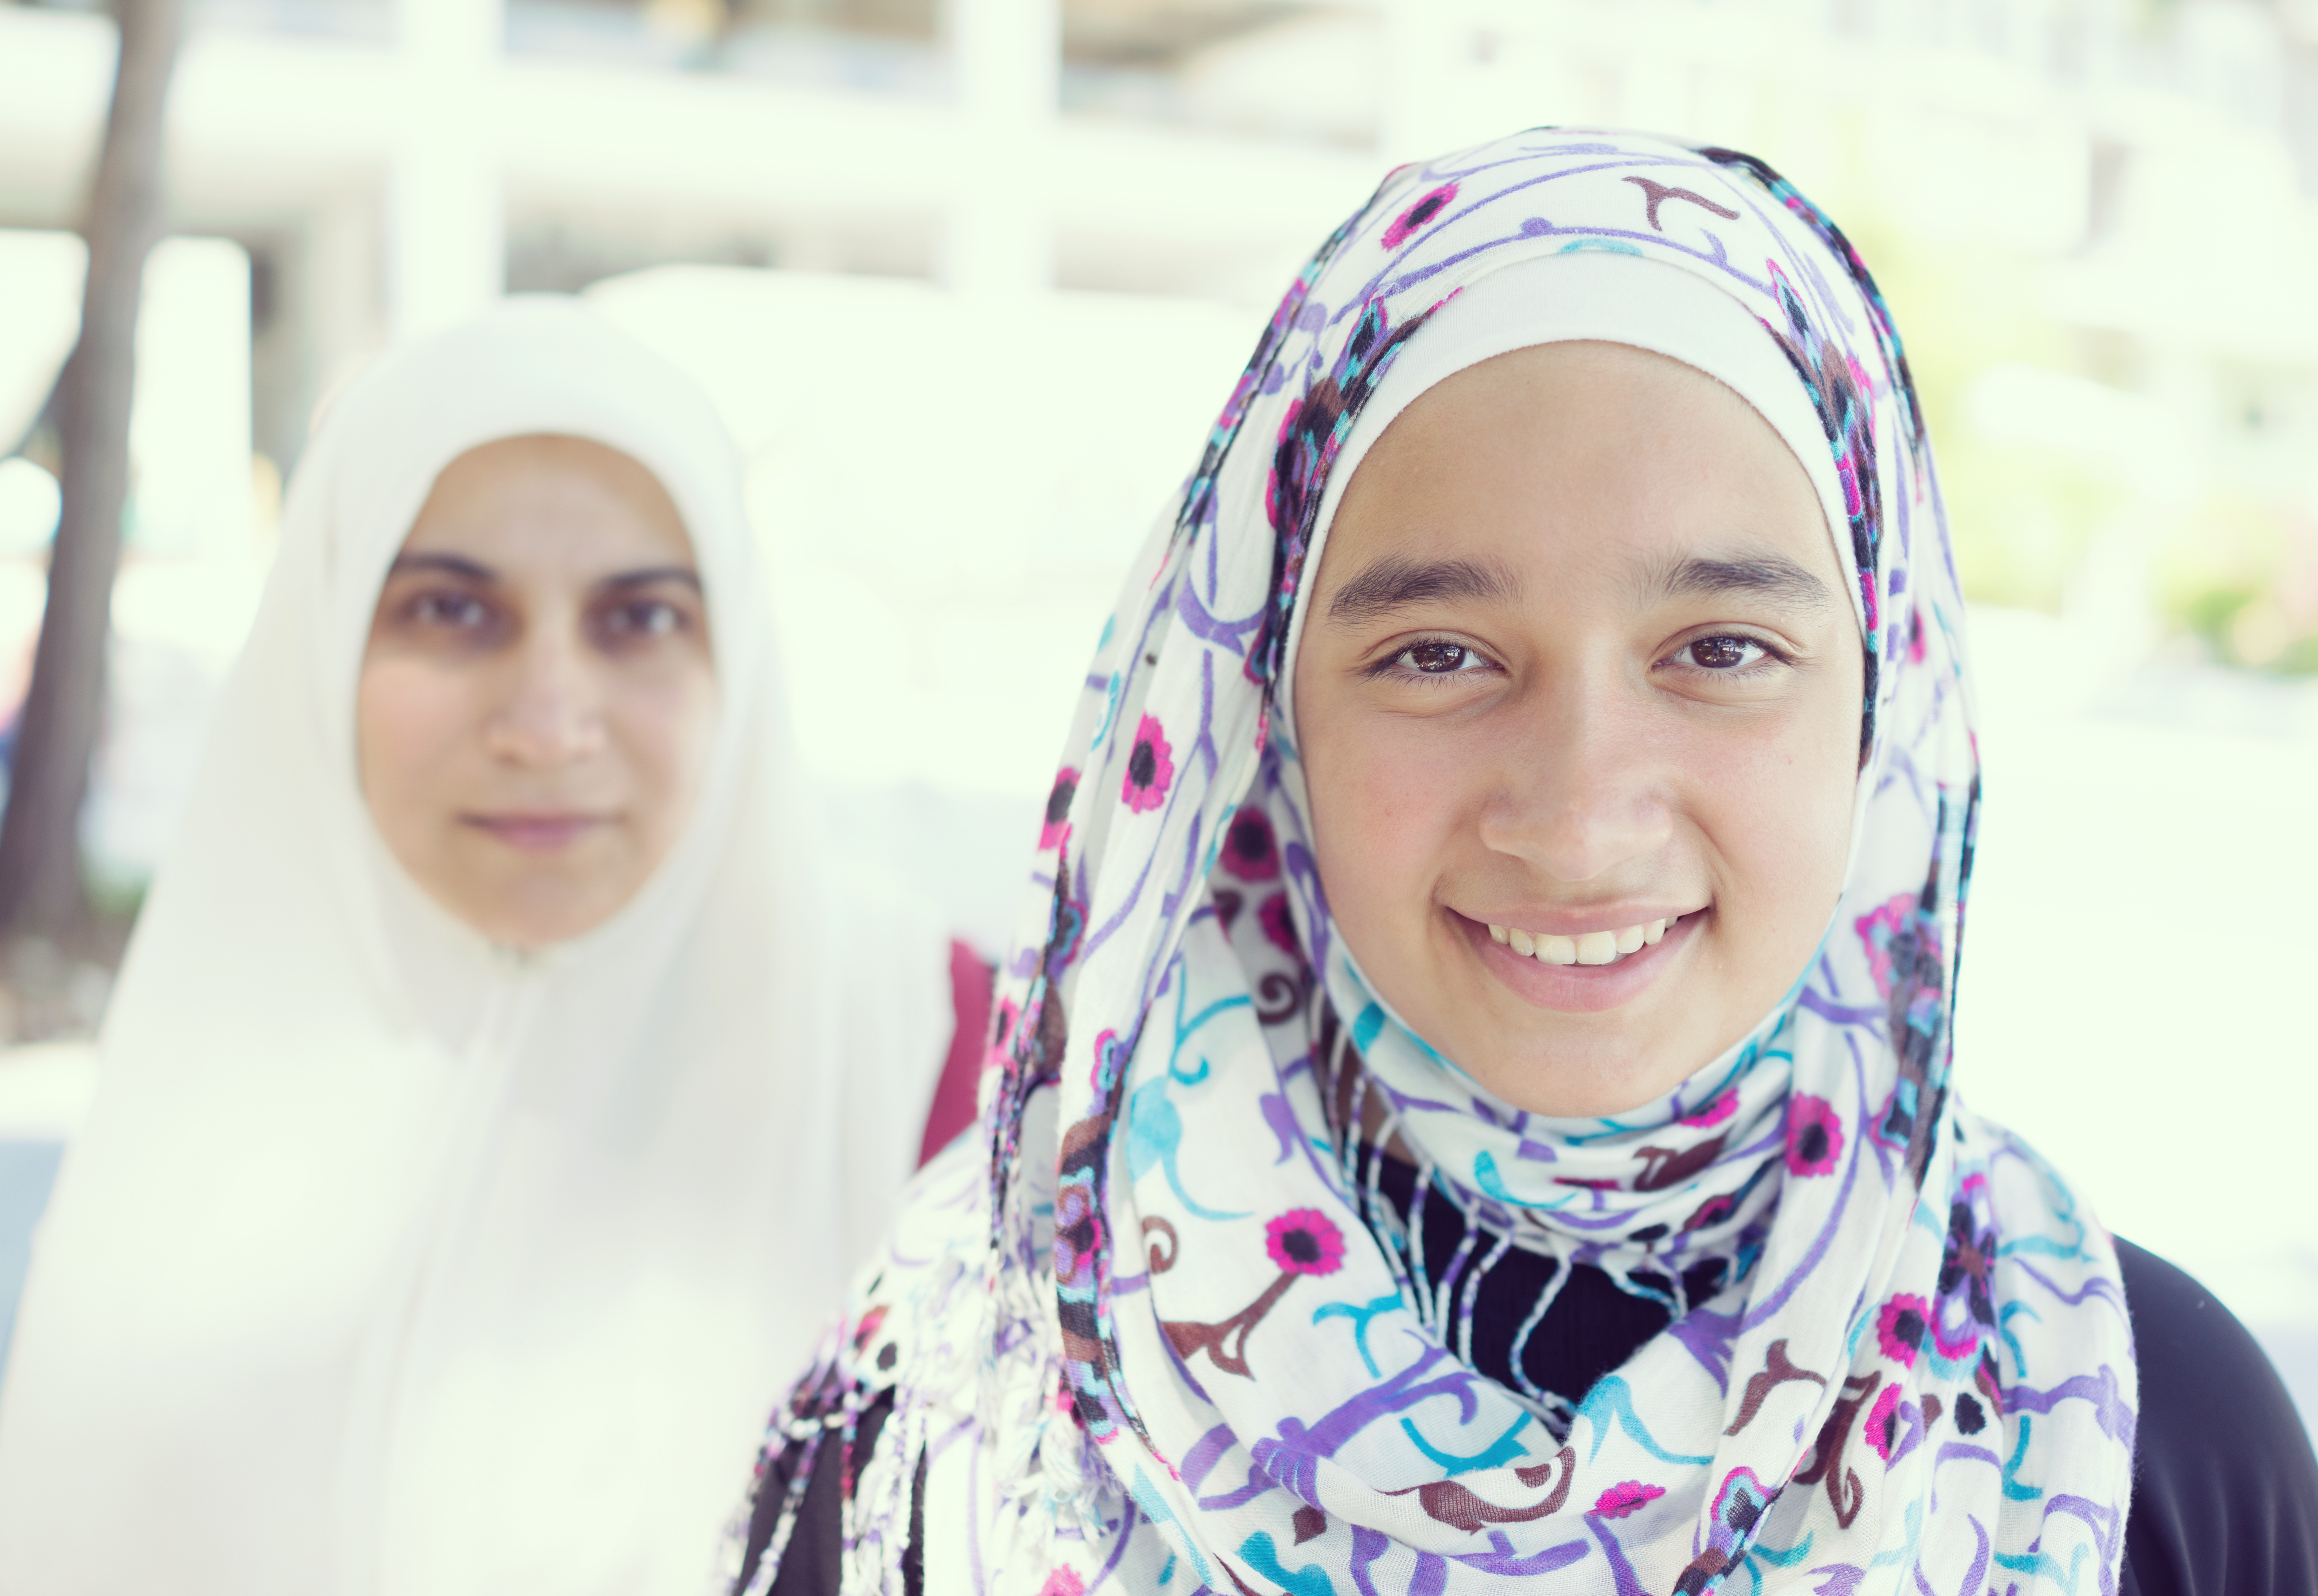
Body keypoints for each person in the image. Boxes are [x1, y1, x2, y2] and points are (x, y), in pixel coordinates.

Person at [720, 131, 2318, 1596]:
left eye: (1721, 645)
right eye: (1435, 654)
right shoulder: (970, 1390)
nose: (1576, 809)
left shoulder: (2131, 1429)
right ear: (1261, 713)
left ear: (1883, 704)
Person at [0, 299, 984, 1595]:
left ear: (734, 659)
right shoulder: (206, 1065)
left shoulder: (952, 1062)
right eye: (453, 613)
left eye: (638, 618)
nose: (548, 721)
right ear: (327, 642)